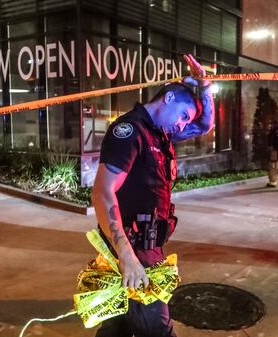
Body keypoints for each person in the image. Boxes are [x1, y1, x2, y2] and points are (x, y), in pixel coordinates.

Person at [91, 54, 214, 337]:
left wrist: (205, 86)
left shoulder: (160, 134)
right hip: (134, 251)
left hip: (146, 247)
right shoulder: (130, 131)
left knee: (116, 326)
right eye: (183, 117)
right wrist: (127, 256)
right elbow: (102, 192)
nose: (184, 126)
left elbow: (205, 126)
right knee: (156, 330)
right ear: (168, 98)